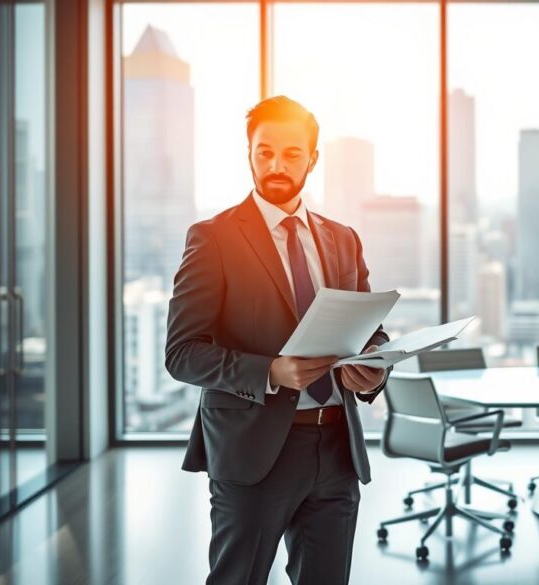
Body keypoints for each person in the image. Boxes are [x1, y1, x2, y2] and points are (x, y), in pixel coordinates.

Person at [165, 95, 390, 585]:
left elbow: (370, 330)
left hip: (336, 448)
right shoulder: (213, 238)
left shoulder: (342, 238)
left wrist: (372, 369)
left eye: (291, 154)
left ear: (312, 158)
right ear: (249, 153)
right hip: (253, 452)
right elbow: (182, 353)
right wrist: (270, 371)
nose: (275, 165)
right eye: (264, 152)